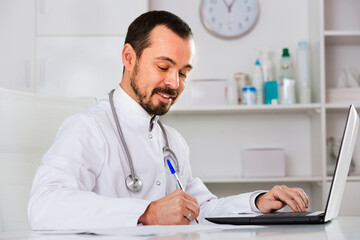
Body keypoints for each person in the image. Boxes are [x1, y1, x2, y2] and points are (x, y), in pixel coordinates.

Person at [28, 10, 308, 230]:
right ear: (129, 57)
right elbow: (44, 205)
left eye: (184, 73)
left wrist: (258, 202)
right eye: (163, 67)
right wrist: (147, 213)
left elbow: (201, 208)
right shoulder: (87, 128)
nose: (174, 83)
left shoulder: (171, 140)